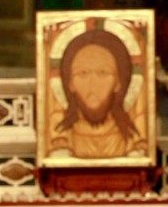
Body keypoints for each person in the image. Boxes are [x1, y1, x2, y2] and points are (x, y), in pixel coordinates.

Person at [49, 29, 147, 159]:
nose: (92, 83)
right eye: (83, 73)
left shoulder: (132, 139)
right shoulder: (62, 137)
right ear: (70, 83)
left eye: (102, 73)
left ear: (118, 83)